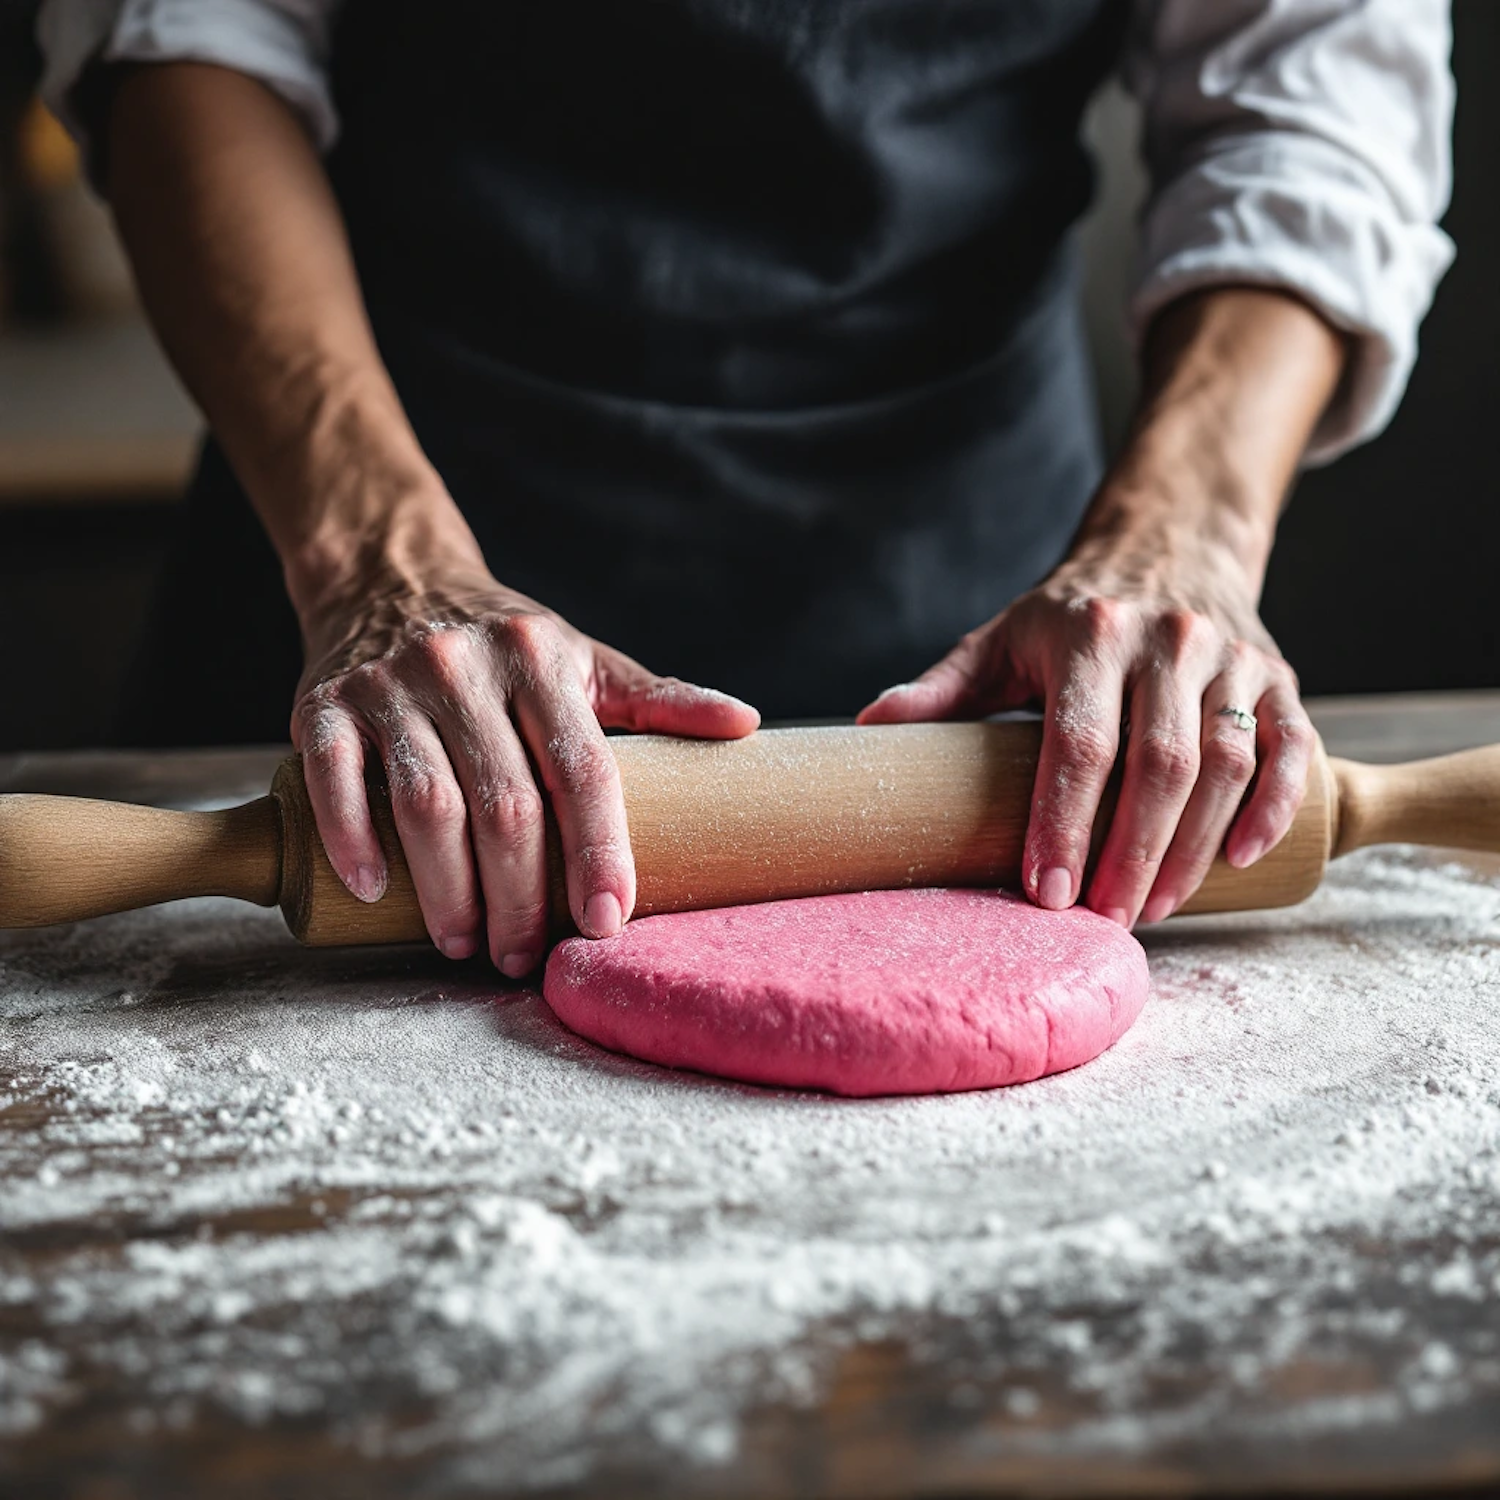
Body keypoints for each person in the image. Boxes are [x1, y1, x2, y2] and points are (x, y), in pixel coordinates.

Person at [38, 0, 1453, 974]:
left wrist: (1181, 539)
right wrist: (372, 559)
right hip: (363, 587)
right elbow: (190, 37)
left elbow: (1309, 90)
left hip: (995, 651)